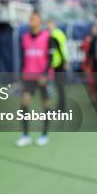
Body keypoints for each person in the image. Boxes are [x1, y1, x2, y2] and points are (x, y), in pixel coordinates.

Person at [16, 11, 52, 147]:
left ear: (39, 22)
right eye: (30, 19)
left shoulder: (48, 37)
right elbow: (23, 59)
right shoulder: (24, 37)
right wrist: (21, 75)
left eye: (34, 19)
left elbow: (51, 59)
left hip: (43, 76)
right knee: (24, 102)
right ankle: (25, 135)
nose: (31, 21)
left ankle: (44, 135)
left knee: (45, 104)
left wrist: (45, 74)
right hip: (28, 76)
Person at [47, 21, 69, 112]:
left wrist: (64, 61)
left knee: (59, 87)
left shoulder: (54, 34)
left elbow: (60, 49)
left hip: (58, 64)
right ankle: (60, 107)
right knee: (59, 87)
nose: (48, 25)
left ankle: (61, 108)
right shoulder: (59, 33)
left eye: (49, 23)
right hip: (59, 63)